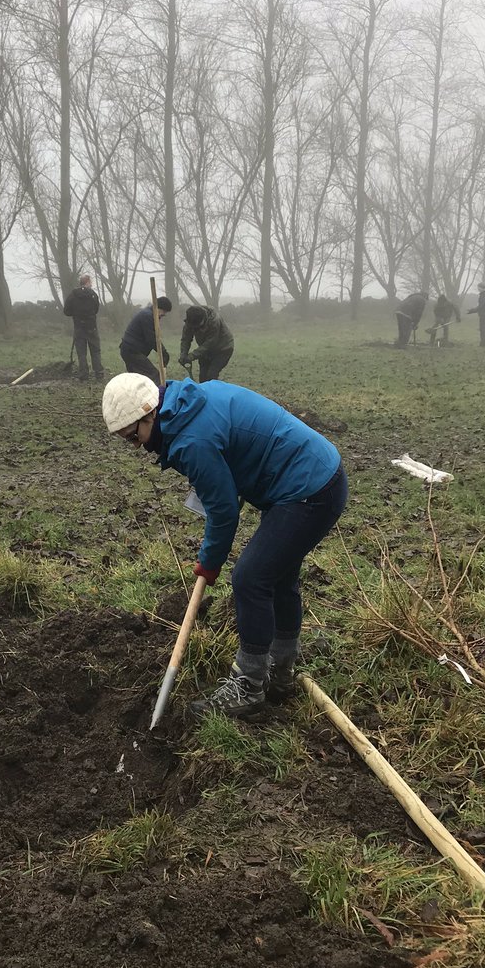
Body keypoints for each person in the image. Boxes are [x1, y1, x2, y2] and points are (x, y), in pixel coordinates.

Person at [102, 373, 347, 720]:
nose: (138, 446)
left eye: (134, 437)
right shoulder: (190, 402)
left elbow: (223, 511)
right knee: (277, 575)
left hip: (309, 489)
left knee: (251, 578)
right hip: (316, 475)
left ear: (149, 414)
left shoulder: (191, 440)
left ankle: (248, 685)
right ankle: (279, 671)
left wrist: (209, 562)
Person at [119, 297, 172, 384]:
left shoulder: (150, 314)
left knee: (137, 379)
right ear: (159, 308)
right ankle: (158, 396)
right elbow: (152, 339)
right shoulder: (147, 316)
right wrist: (163, 352)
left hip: (129, 350)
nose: (164, 315)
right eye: (164, 312)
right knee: (154, 375)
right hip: (132, 352)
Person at [63, 273, 104, 382]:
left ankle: (84, 374)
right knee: (95, 351)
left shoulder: (73, 295)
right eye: (90, 282)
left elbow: (66, 311)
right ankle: (99, 373)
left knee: (81, 353)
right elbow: (96, 309)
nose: (91, 284)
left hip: (79, 327)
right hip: (92, 327)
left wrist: (76, 314)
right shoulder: (93, 294)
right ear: (87, 283)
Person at [179, 304, 235, 382]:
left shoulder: (214, 321)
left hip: (223, 349)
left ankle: (214, 393)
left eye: (198, 326)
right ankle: (203, 393)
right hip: (205, 352)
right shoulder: (190, 321)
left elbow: (210, 343)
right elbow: (186, 339)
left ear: (204, 319)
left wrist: (192, 356)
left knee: (211, 375)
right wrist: (183, 354)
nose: (196, 329)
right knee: (203, 377)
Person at [467, 283, 485, 348]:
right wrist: (472, 310)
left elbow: (481, 306)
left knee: (483, 329)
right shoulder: (484, 294)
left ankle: (482, 344)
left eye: (478, 288)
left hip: (484, 314)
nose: (478, 289)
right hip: (483, 313)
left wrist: (472, 311)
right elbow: (480, 306)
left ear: (482, 288)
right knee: (482, 329)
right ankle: (482, 343)